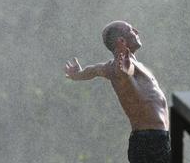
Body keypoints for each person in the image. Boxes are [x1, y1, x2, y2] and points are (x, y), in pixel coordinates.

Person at [65, 21, 171, 162]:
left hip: (158, 138)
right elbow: (123, 72)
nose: (137, 31)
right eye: (131, 30)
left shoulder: (125, 65)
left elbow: (93, 70)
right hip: (149, 140)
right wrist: (122, 66)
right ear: (121, 40)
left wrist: (78, 74)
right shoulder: (121, 65)